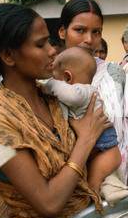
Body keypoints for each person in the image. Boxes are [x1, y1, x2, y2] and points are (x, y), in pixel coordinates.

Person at [0, 3, 111, 218]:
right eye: (40, 44)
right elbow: (48, 203)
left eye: (50, 41)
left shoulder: (55, 98)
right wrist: (86, 141)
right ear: (8, 56)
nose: (52, 51)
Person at [58, 0, 128, 183]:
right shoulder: (48, 75)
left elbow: (125, 128)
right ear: (62, 31)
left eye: (96, 32)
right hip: (60, 179)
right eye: (79, 30)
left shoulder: (114, 73)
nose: (89, 40)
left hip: (111, 175)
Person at [44, 46, 121, 193]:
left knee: (92, 189)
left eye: (55, 77)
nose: (53, 80)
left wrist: (49, 85)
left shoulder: (85, 91)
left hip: (105, 151)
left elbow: (71, 95)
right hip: (98, 150)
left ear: (67, 77)